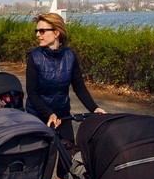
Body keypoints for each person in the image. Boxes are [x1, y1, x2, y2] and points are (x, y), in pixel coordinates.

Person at [25, 12, 105, 146]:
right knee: (43, 160)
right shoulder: (34, 57)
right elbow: (32, 93)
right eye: (37, 31)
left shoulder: (70, 56)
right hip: (39, 116)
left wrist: (94, 108)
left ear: (56, 33)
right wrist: (49, 113)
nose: (37, 35)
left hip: (62, 116)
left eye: (42, 31)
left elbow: (79, 88)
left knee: (69, 157)